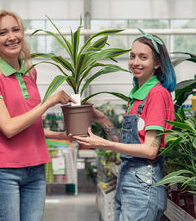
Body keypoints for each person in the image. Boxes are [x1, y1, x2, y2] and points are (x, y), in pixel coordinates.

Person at [0, 10, 75, 221]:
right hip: (5, 172)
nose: (12, 37)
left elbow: (28, 125)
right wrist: (48, 102)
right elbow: (9, 128)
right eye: (2, 32)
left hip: (36, 169)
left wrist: (61, 135)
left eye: (16, 29)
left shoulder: (30, 72)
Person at [73, 29, 176, 221]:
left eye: (143, 57)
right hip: (128, 177)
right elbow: (128, 144)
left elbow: (150, 150)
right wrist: (102, 118)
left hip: (143, 181)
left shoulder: (156, 94)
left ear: (157, 63)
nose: (135, 62)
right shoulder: (136, 96)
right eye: (132, 56)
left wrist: (105, 144)